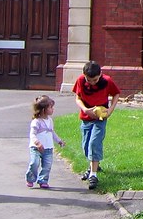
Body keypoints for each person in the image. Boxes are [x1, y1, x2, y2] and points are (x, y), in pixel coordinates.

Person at [72, 60, 120, 190]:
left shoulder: (107, 81)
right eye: (89, 80)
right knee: (86, 146)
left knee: (94, 143)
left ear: (100, 75)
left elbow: (116, 94)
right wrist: (85, 109)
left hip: (100, 118)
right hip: (86, 117)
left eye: (95, 80)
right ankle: (94, 165)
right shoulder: (81, 80)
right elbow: (78, 98)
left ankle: (93, 174)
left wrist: (110, 110)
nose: (92, 82)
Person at [26, 95, 65, 189]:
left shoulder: (50, 120)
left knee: (47, 165)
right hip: (36, 148)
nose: (53, 109)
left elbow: (52, 132)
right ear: (43, 110)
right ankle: (30, 178)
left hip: (48, 148)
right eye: (51, 107)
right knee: (34, 163)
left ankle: (43, 180)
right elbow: (32, 134)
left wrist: (59, 141)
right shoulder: (36, 122)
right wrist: (37, 143)